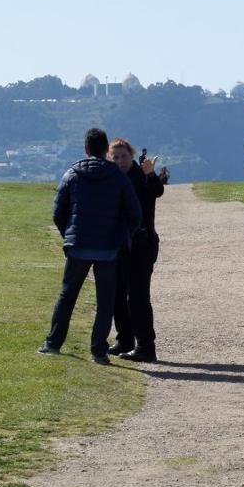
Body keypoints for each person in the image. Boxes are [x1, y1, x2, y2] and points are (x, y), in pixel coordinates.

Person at [40, 128, 141, 364]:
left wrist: (70, 236)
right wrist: (122, 238)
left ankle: (53, 343)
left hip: (79, 246)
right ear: (107, 150)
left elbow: (58, 212)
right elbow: (134, 214)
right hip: (108, 248)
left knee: (68, 295)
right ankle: (98, 351)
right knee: (105, 300)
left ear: (86, 149)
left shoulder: (72, 173)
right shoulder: (118, 177)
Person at [106, 138, 166, 363]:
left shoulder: (142, 175)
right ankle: (125, 340)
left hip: (141, 244)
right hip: (120, 244)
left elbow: (157, 192)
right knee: (118, 295)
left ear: (130, 155)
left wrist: (150, 173)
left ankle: (145, 346)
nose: (120, 160)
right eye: (116, 157)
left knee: (138, 297)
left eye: (123, 156)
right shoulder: (112, 178)